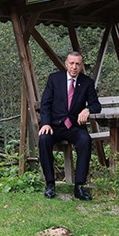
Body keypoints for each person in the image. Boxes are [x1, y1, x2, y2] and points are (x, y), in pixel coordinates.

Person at [37, 51, 102, 200]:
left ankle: (79, 186)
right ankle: (50, 184)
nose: (74, 67)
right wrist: (45, 123)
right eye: (71, 63)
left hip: (74, 127)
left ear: (81, 66)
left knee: (85, 140)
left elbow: (96, 105)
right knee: (44, 139)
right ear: (66, 64)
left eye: (77, 64)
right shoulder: (54, 79)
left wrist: (87, 109)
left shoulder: (87, 82)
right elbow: (45, 104)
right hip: (55, 126)